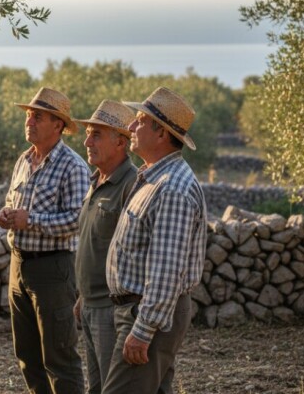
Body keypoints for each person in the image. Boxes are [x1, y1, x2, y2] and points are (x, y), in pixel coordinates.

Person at [102, 87, 208, 394]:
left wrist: (145, 329)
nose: (131, 127)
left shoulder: (172, 188)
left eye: (139, 121)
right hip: (143, 311)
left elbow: (166, 268)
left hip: (148, 314)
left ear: (160, 132)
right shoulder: (156, 178)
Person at [0, 87, 88, 394]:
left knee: (60, 357)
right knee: (27, 356)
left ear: (58, 125)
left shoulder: (73, 166)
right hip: (19, 264)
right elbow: (14, 202)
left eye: (37, 116)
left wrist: (31, 219)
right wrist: (7, 214)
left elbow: (78, 219)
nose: (29, 121)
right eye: (28, 115)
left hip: (53, 269)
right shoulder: (24, 160)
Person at [71, 100, 138, 394]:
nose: (87, 141)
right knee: (97, 387)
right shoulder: (97, 180)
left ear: (121, 142)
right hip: (91, 304)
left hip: (112, 311)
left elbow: (133, 252)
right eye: (88, 133)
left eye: (96, 134)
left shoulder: (131, 184)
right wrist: (83, 297)